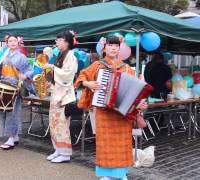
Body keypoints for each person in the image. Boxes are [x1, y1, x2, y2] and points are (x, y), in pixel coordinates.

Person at [75, 36, 148, 180]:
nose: (113, 48)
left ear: (119, 49)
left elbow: (134, 90)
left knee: (122, 144)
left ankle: (121, 174)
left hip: (122, 113)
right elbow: (81, 77)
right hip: (104, 112)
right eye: (110, 45)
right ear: (104, 48)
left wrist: (140, 98)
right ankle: (106, 174)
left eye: (116, 45)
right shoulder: (97, 65)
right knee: (105, 144)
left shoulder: (126, 68)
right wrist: (88, 84)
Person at [0, 35, 33, 150]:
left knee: (12, 113)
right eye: (10, 41)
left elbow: (29, 70)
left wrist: (25, 76)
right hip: (4, 86)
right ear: (7, 43)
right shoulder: (4, 56)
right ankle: (15, 136)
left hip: (14, 88)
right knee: (3, 111)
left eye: (14, 41)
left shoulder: (22, 57)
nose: (12, 43)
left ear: (18, 43)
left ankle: (11, 138)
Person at [42, 30, 78, 163]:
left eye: (59, 40)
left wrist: (52, 67)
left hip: (63, 95)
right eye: (56, 39)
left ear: (67, 41)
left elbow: (68, 75)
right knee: (54, 123)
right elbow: (58, 73)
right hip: (57, 92)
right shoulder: (61, 55)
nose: (57, 42)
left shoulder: (71, 55)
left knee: (62, 124)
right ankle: (58, 149)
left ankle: (65, 153)